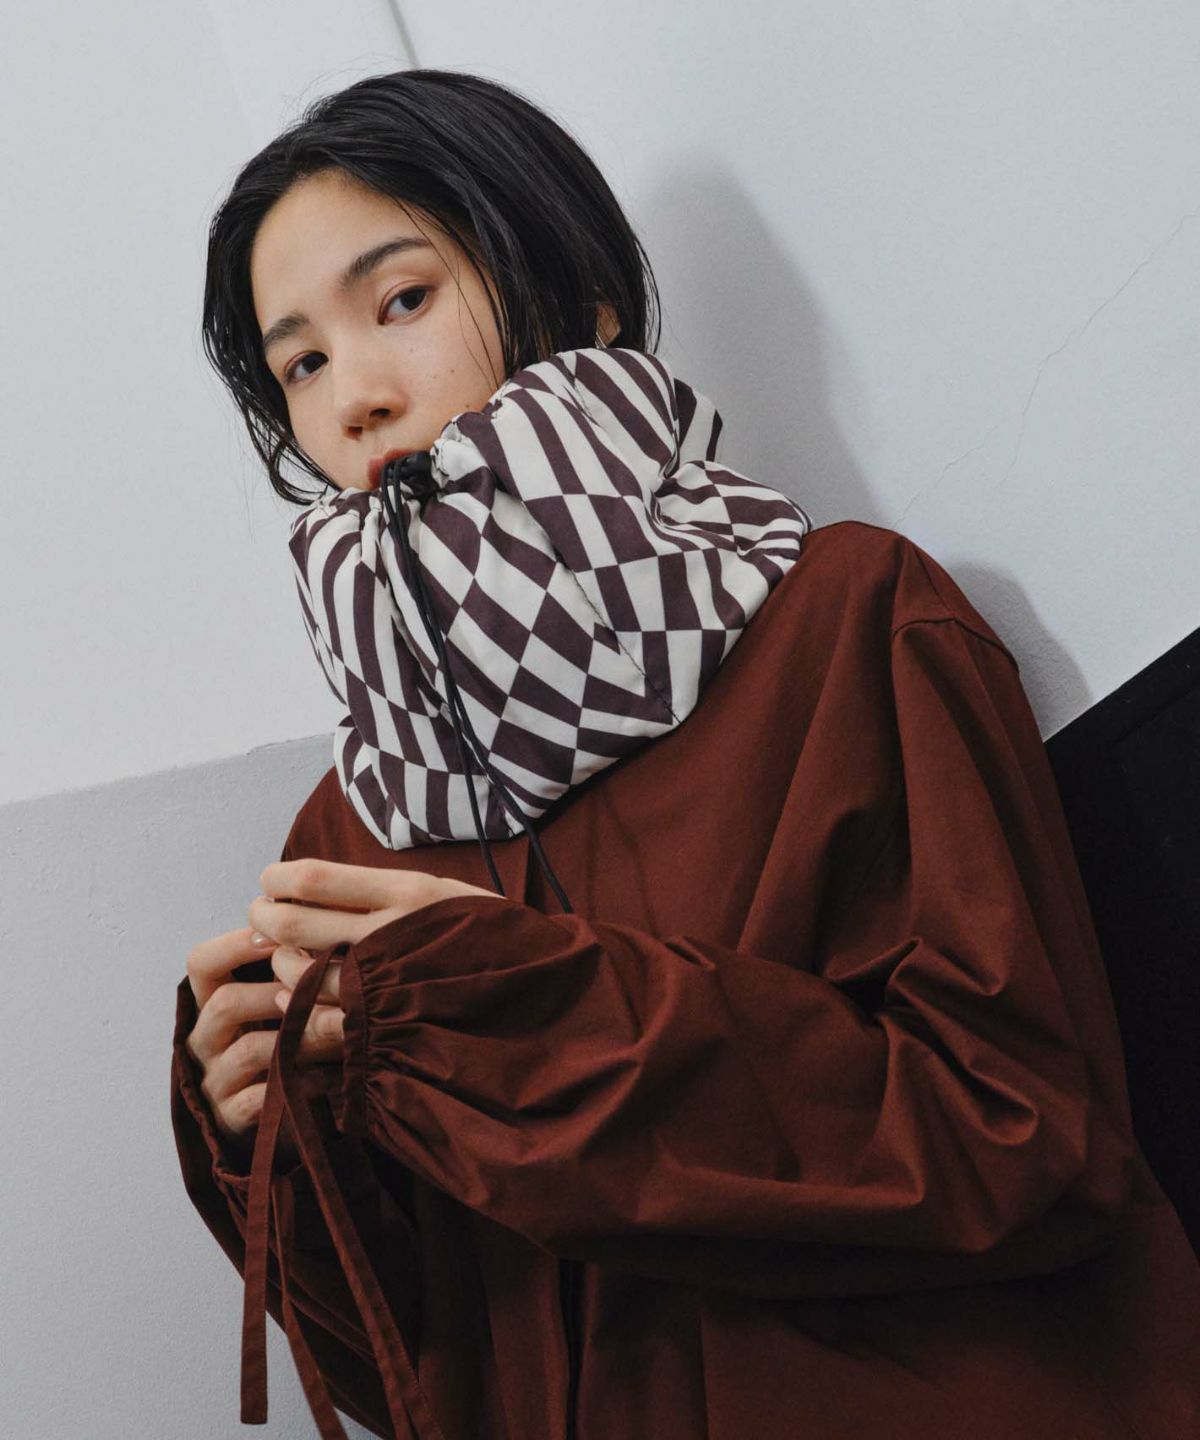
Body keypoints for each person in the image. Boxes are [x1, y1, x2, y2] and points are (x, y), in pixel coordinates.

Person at [172, 67, 1200, 1440]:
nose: (352, 395)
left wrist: (513, 1016)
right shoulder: (348, 835)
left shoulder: (847, 623)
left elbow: (1022, 1143)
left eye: (402, 299)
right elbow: (425, 1377)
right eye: (298, 363)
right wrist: (270, 1150)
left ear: (581, 298)